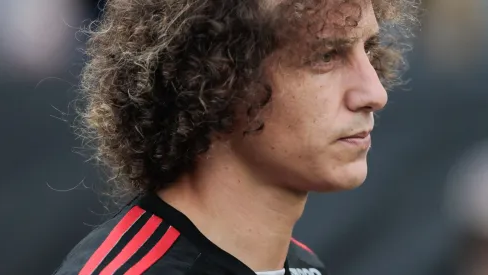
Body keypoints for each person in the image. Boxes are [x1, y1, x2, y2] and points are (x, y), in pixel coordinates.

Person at [54, 0, 417, 274]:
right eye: (325, 55)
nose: (374, 92)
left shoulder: (307, 267)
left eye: (367, 49)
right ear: (215, 76)